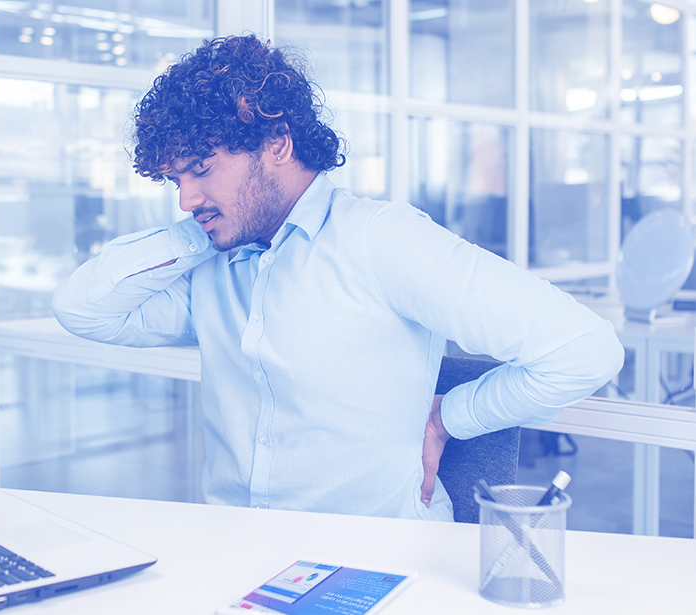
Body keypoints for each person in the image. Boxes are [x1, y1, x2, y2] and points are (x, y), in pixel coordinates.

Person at [52, 34, 624, 521]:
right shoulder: (213, 263)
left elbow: (584, 350)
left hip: (375, 558)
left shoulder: (382, 239)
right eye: (175, 179)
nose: (186, 198)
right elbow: (84, 309)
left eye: (201, 170)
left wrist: (449, 417)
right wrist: (200, 228)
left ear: (276, 143)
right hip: (234, 553)